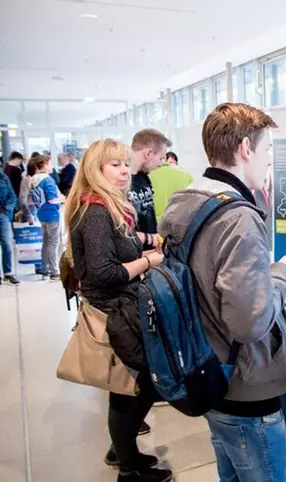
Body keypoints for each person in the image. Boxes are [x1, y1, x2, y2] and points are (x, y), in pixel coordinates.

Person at [159, 103, 286, 482]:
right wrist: (281, 276)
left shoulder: (187, 200)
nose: (268, 161)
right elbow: (250, 322)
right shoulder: (238, 217)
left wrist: (272, 269)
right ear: (245, 149)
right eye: (267, 151)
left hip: (206, 371)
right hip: (246, 386)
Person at [66, 139, 171, 482]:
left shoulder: (107, 207)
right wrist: (149, 260)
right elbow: (104, 272)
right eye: (115, 165)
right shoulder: (95, 212)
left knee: (139, 386)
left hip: (123, 308)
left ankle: (122, 450)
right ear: (95, 170)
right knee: (128, 390)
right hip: (111, 314)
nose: (125, 171)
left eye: (125, 164)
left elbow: (120, 241)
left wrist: (149, 238)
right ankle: (128, 470)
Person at [128, 129, 171, 246]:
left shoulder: (144, 177)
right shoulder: (120, 182)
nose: (162, 164)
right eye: (161, 158)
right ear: (148, 153)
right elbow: (119, 233)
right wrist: (151, 239)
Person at [30, 155, 64, 280]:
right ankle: (54, 271)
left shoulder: (34, 179)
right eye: (50, 164)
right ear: (44, 165)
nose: (52, 166)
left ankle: (44, 267)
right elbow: (51, 199)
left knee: (46, 241)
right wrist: (61, 199)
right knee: (53, 242)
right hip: (52, 214)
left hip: (41, 213)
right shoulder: (48, 180)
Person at [149, 150, 194, 223]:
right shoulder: (187, 175)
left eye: (174, 162)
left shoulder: (149, 176)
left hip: (158, 223)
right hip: (181, 221)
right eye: (170, 162)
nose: (172, 164)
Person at [0, 169, 19, 285]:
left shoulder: (3, 178)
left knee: (7, 244)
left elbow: (13, 197)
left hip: (3, 216)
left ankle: (8, 273)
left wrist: (5, 210)